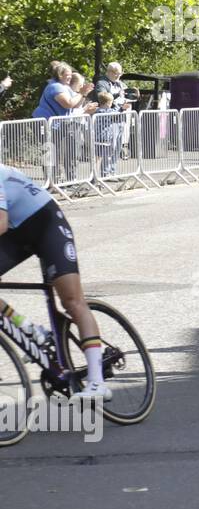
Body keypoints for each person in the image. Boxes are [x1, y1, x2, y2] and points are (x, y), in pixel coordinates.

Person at [0, 164, 110, 399]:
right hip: (17, 234)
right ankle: (30, 330)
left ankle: (97, 382)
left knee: (72, 301)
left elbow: (0, 222)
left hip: (48, 225)